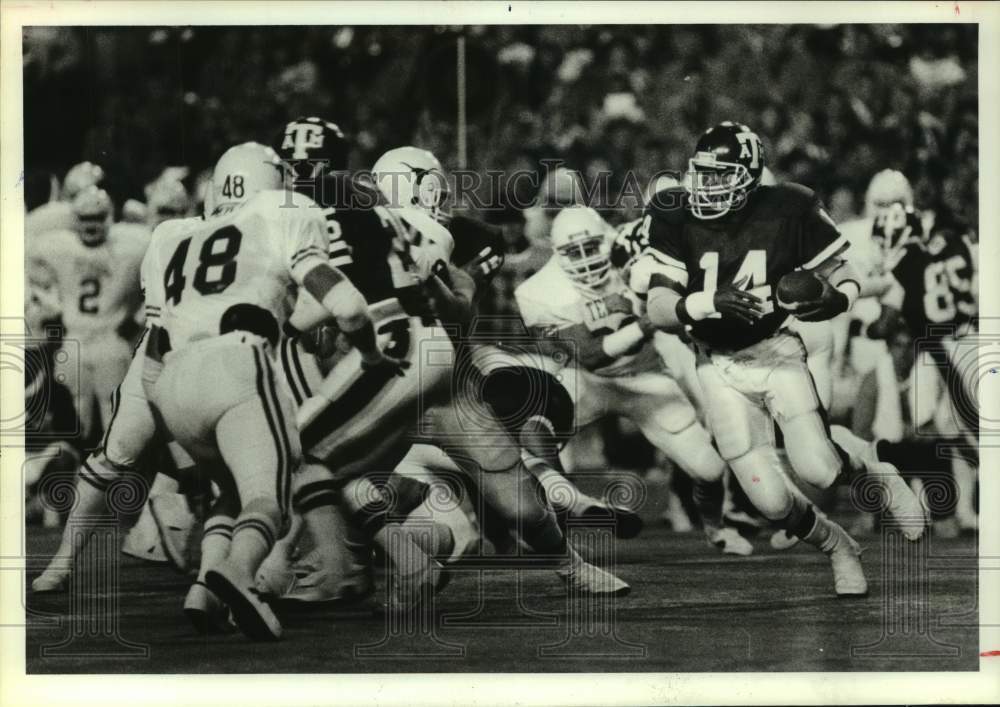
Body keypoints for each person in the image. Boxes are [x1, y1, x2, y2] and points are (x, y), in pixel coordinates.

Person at [639, 121, 926, 597]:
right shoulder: (674, 214)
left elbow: (844, 270)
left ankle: (875, 468)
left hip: (775, 349)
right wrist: (709, 303)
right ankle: (839, 548)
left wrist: (838, 299)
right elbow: (657, 308)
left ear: (750, 176)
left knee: (820, 470)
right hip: (716, 364)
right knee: (771, 502)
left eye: (720, 175)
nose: (706, 186)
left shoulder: (788, 206)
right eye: (703, 174)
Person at [140, 141, 404, 641]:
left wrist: (173, 443)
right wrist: (370, 354)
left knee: (232, 493)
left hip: (172, 381)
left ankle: (203, 588)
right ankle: (239, 575)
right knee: (270, 499)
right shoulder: (283, 212)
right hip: (239, 363)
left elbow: (153, 352)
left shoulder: (174, 235)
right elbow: (347, 305)